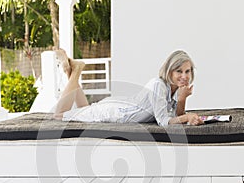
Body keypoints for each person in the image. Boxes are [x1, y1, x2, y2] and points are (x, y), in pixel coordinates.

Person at [54, 49, 204, 126]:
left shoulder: (175, 87)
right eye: (179, 71)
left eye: (187, 71)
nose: (184, 76)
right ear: (169, 70)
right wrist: (187, 117)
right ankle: (76, 71)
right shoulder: (159, 85)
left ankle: (71, 72)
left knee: (85, 107)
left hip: (118, 106)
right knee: (59, 115)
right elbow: (164, 121)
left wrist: (182, 98)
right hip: (114, 113)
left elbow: (175, 116)